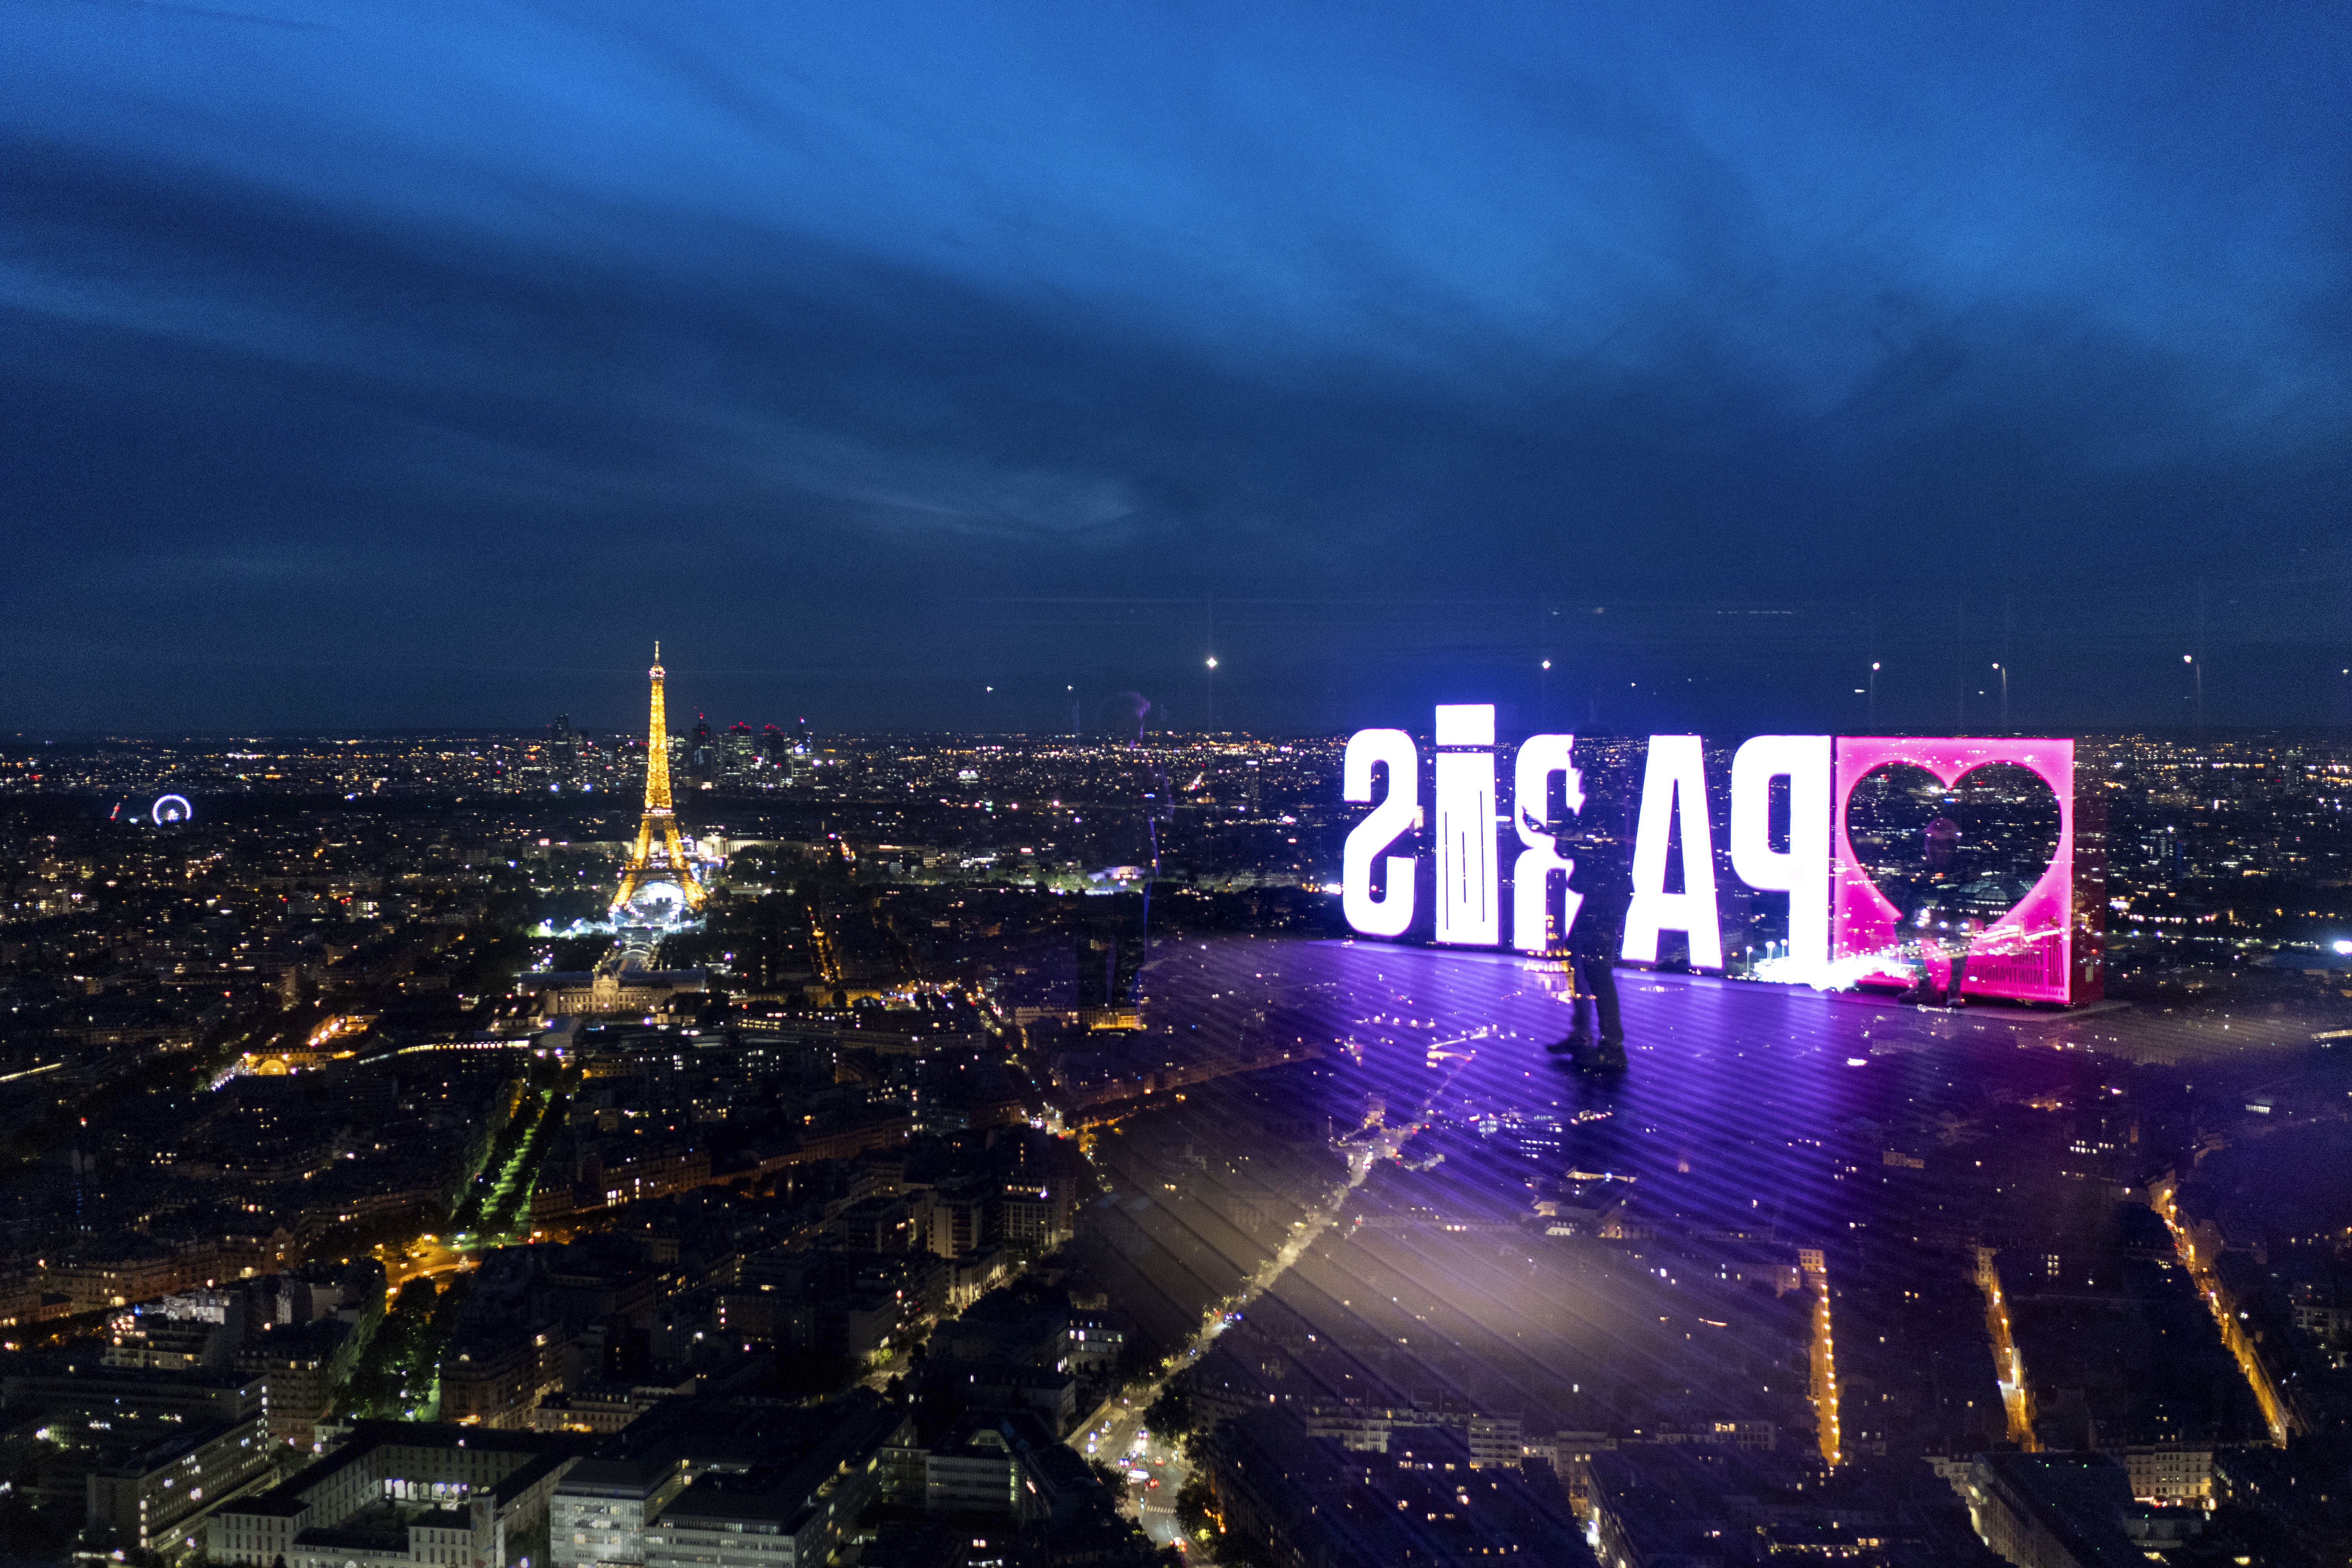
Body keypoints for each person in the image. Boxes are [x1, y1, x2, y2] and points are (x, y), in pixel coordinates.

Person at [1546, 759, 1632, 1071]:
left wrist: (1564, 834)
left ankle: (1610, 1045)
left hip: (1605, 893)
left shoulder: (1603, 800)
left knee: (1593, 967)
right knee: (1581, 960)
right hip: (1606, 891)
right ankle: (1591, 1037)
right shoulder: (1608, 796)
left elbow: (1589, 848)